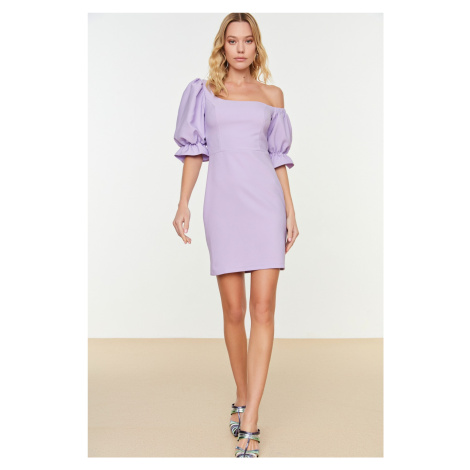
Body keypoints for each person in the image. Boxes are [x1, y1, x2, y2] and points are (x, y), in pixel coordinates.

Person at [172, 13, 299, 458]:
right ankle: (242, 394)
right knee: (234, 310)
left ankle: (251, 419)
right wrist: (184, 202)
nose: (240, 48)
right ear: (222, 46)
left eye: (247, 41)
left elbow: (278, 157)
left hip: (266, 206)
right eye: (232, 41)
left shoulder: (272, 95)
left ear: (256, 46)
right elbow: (194, 151)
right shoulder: (204, 92)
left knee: (263, 310)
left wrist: (290, 210)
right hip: (223, 206)